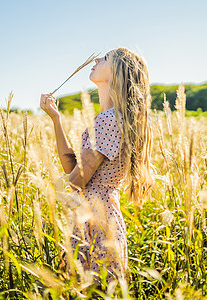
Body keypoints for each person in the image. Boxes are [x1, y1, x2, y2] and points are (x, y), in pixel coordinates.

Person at [40, 47, 153, 284]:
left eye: (105, 58)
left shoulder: (109, 120)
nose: (96, 59)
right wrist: (56, 118)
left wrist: (51, 189)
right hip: (98, 214)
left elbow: (77, 178)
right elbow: (73, 168)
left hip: (95, 220)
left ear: (117, 73)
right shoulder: (111, 118)